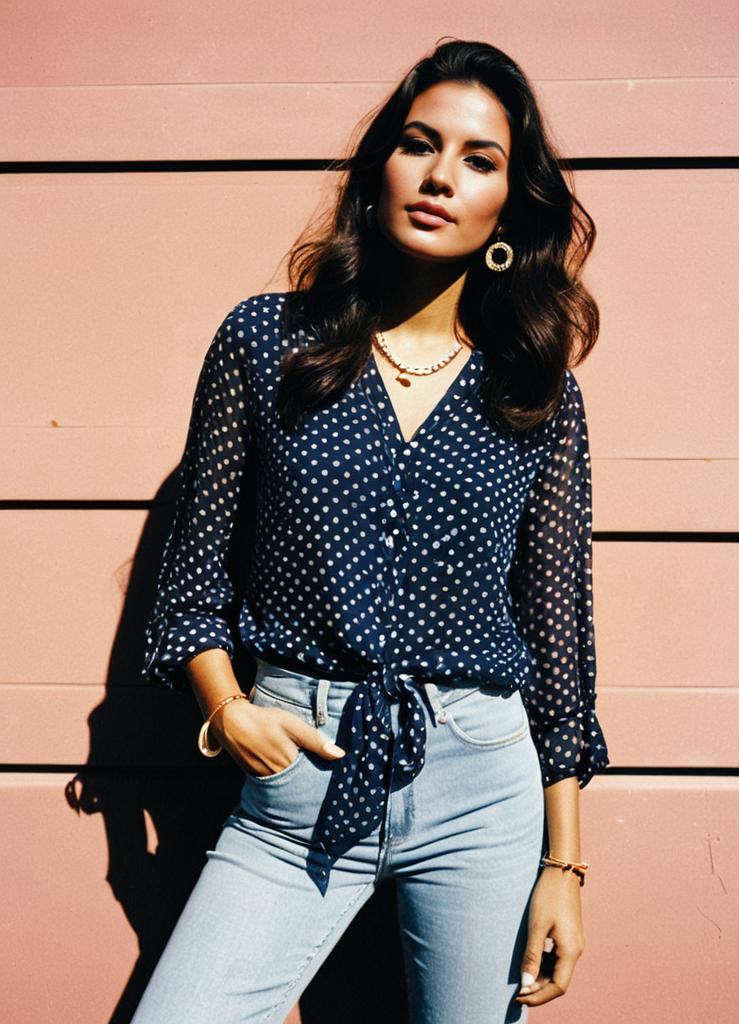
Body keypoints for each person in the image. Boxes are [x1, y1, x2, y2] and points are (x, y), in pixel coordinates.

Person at [130, 38, 610, 1024]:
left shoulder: (535, 392)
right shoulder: (267, 342)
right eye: (418, 144)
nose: (440, 177)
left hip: (483, 783)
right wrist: (229, 709)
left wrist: (563, 865)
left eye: (479, 159)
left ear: (510, 207)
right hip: (298, 770)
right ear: (378, 166)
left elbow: (558, 641)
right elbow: (191, 584)